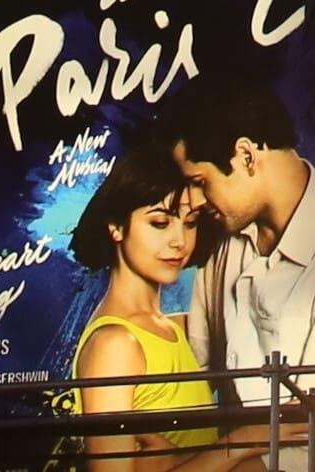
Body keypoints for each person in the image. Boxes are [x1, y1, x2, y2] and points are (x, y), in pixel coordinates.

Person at [68, 143, 260, 460]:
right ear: (116, 226)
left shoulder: (171, 327)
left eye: (190, 222)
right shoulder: (116, 345)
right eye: (160, 223)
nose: (179, 241)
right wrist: (240, 445)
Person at [167, 80, 315, 406]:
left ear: (245, 156)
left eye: (200, 182)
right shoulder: (222, 241)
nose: (194, 201)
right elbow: (196, 380)